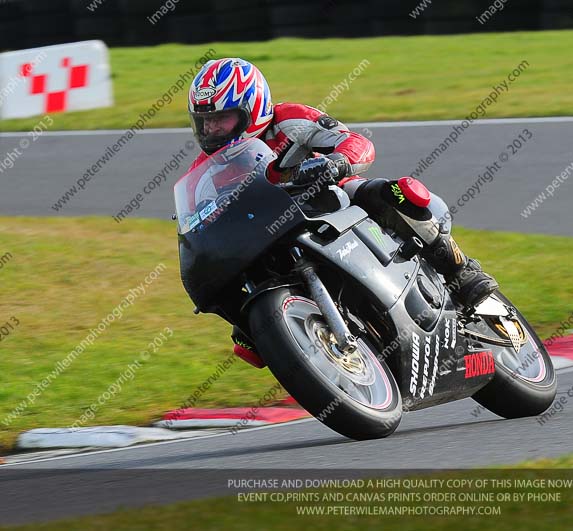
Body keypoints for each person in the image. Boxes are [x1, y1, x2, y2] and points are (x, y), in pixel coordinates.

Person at [186, 58, 498, 362]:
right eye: (205, 122)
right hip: (272, 228)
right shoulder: (205, 171)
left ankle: (462, 271)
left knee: (394, 194)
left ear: (252, 108)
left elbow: (355, 141)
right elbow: (201, 219)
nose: (212, 129)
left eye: (222, 119)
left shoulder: (289, 119)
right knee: (246, 332)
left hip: (331, 195)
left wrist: (338, 161)